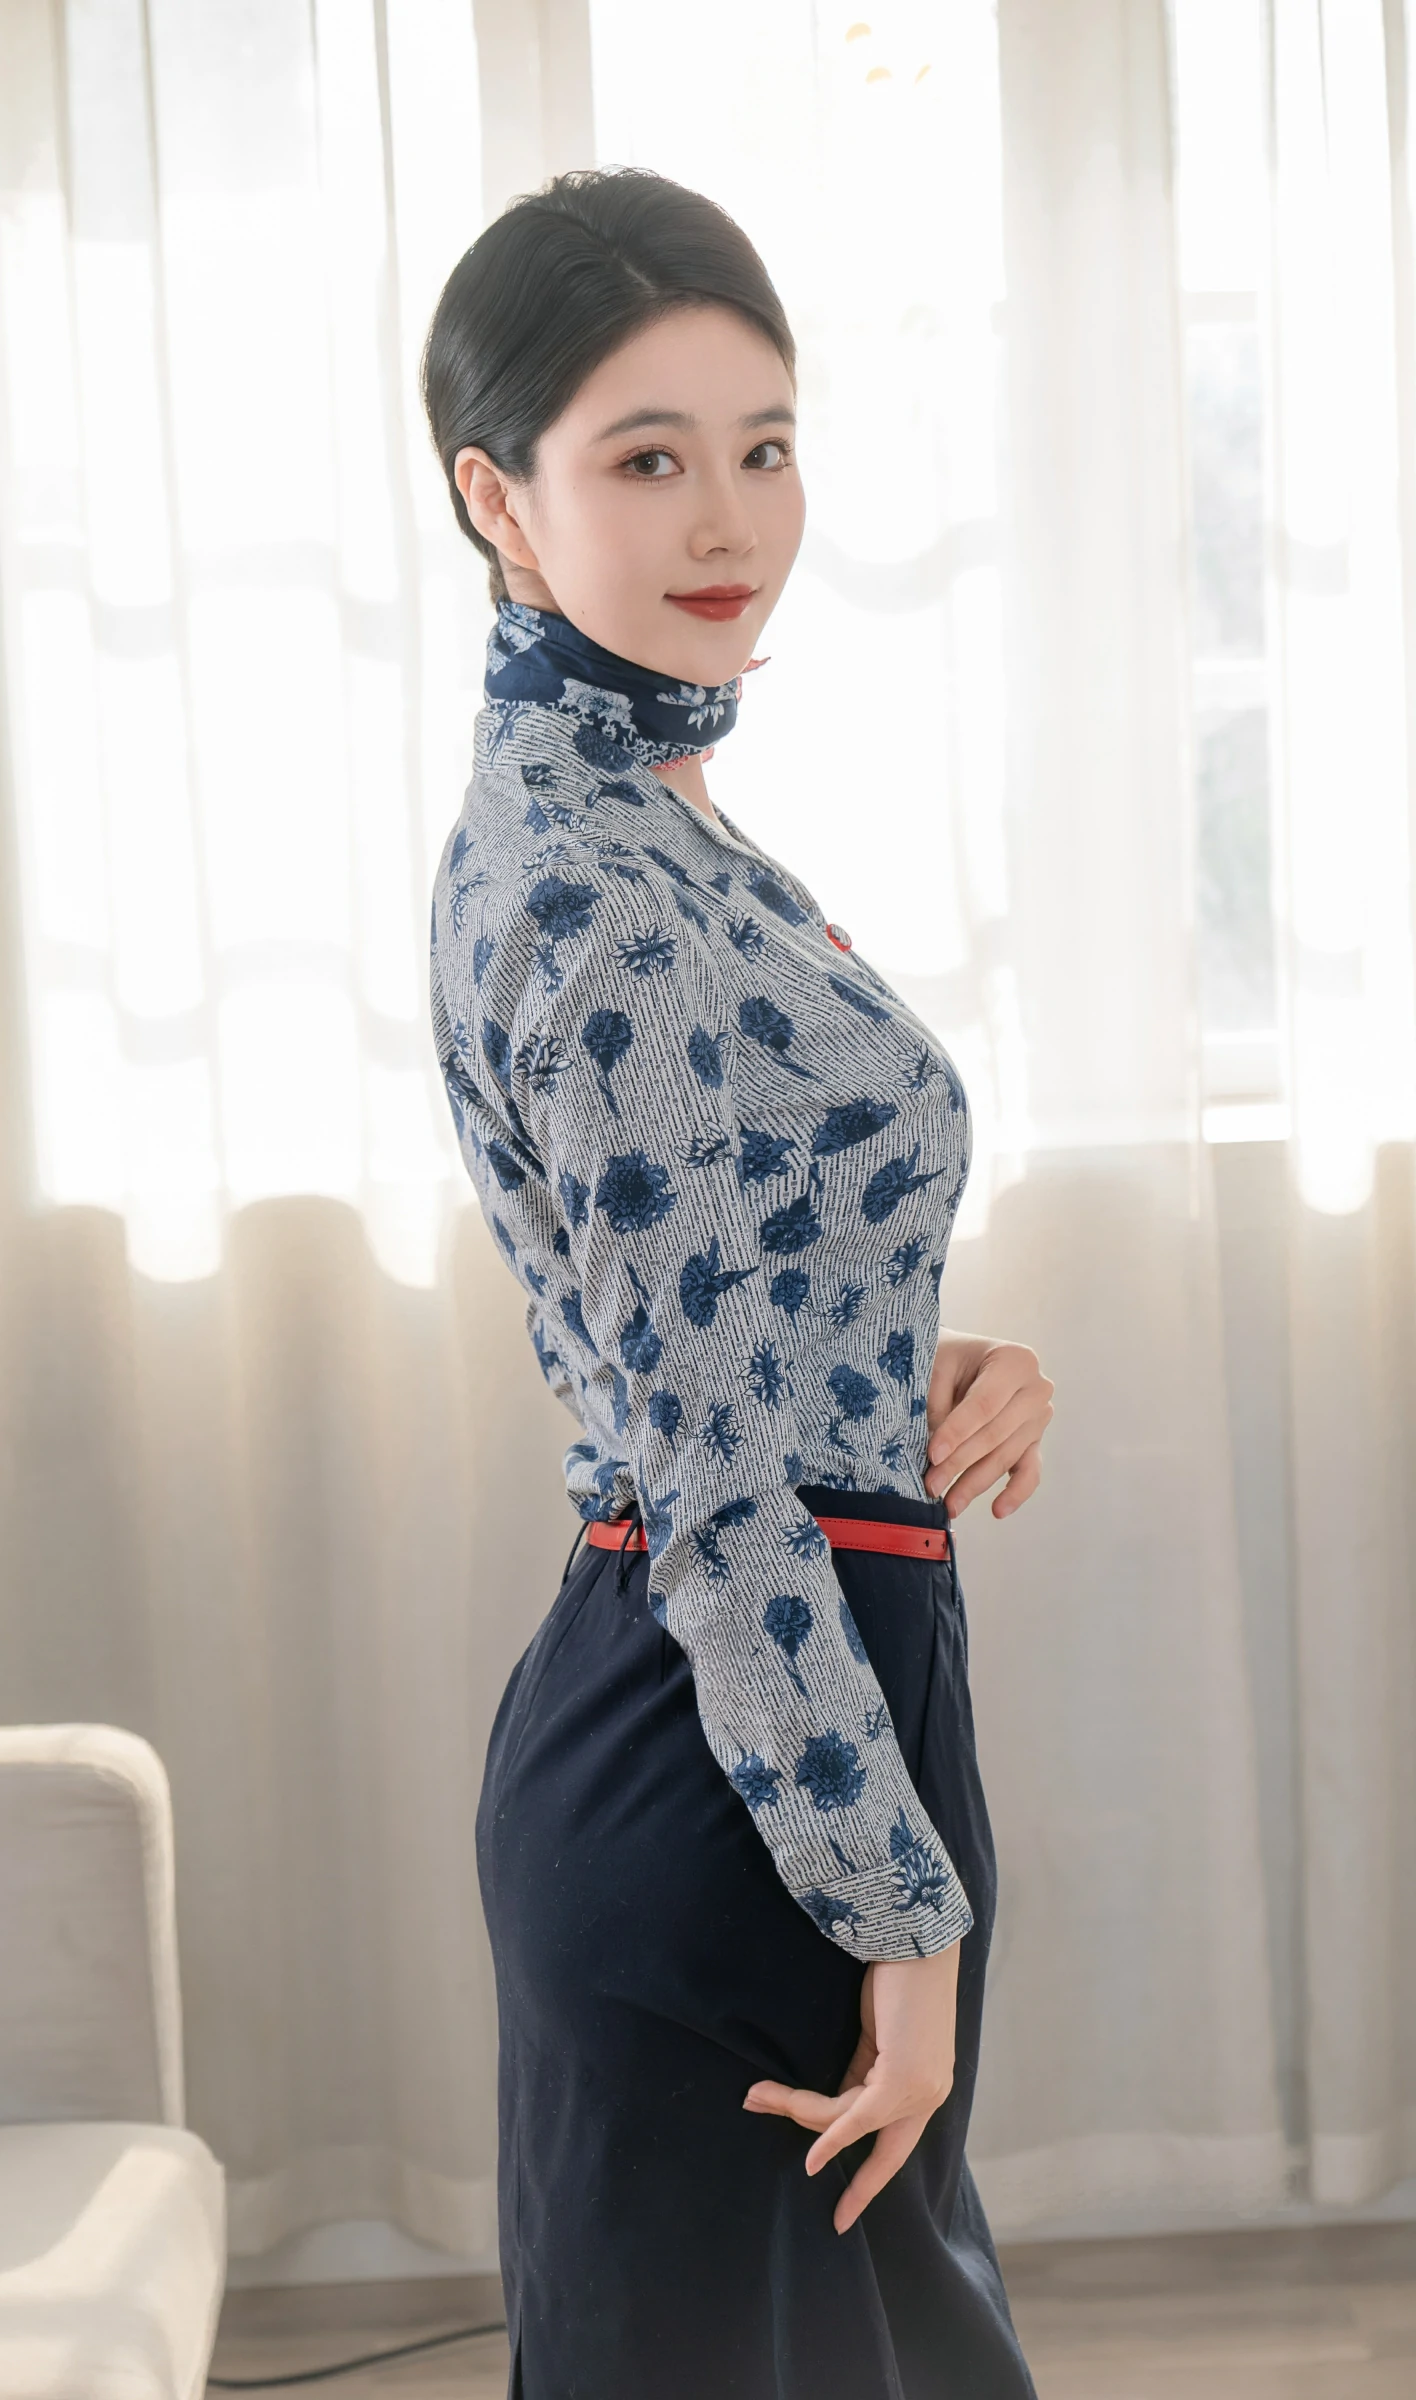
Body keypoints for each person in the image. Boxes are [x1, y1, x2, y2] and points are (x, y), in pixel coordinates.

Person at [422, 166, 1052, 2399]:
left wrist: (922, 1362)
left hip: (793, 1715)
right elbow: (702, 1477)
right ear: (498, 499)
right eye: (645, 458)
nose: (729, 521)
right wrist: (904, 1927)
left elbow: (716, 1308)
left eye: (762, 445)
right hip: (734, 1773)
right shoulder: (586, 885)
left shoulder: (660, 811)